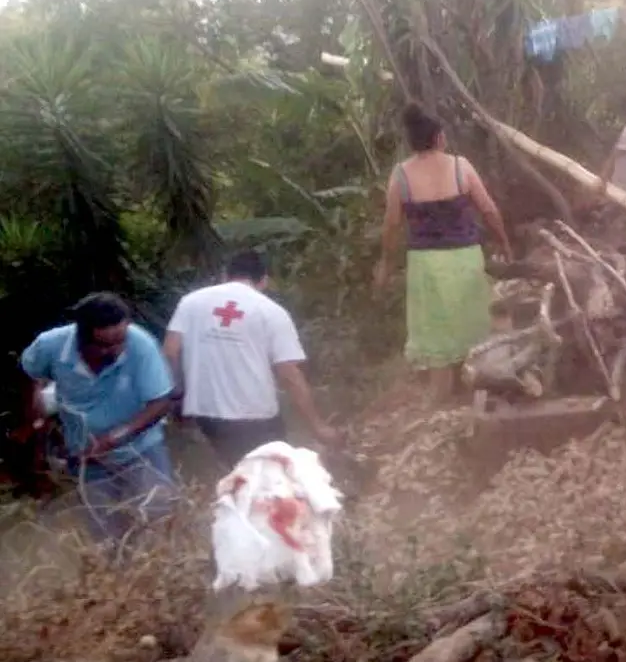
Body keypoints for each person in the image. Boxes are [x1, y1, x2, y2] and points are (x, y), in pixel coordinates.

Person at [374, 104, 513, 397]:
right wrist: (504, 243)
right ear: (439, 138)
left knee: (436, 329)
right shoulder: (461, 167)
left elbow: (392, 225)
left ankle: (442, 392)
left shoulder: (401, 175)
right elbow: (488, 210)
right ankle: (481, 382)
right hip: (465, 257)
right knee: (473, 318)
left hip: (426, 264)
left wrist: (386, 263)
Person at [19, 293, 176, 543]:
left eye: (120, 341)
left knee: (158, 518)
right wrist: (35, 419)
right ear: (82, 339)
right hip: (85, 457)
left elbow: (161, 402)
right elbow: (29, 374)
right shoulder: (50, 346)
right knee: (103, 533)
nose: (116, 350)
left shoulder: (141, 345)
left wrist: (113, 439)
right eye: (105, 345)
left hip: (142, 450)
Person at [164, 250, 337, 468]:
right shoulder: (270, 311)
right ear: (264, 280)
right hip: (254, 416)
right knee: (271, 476)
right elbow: (289, 374)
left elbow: (170, 351)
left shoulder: (190, 302)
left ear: (225, 275)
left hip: (204, 413)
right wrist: (317, 426)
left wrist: (178, 401)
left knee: (229, 472)